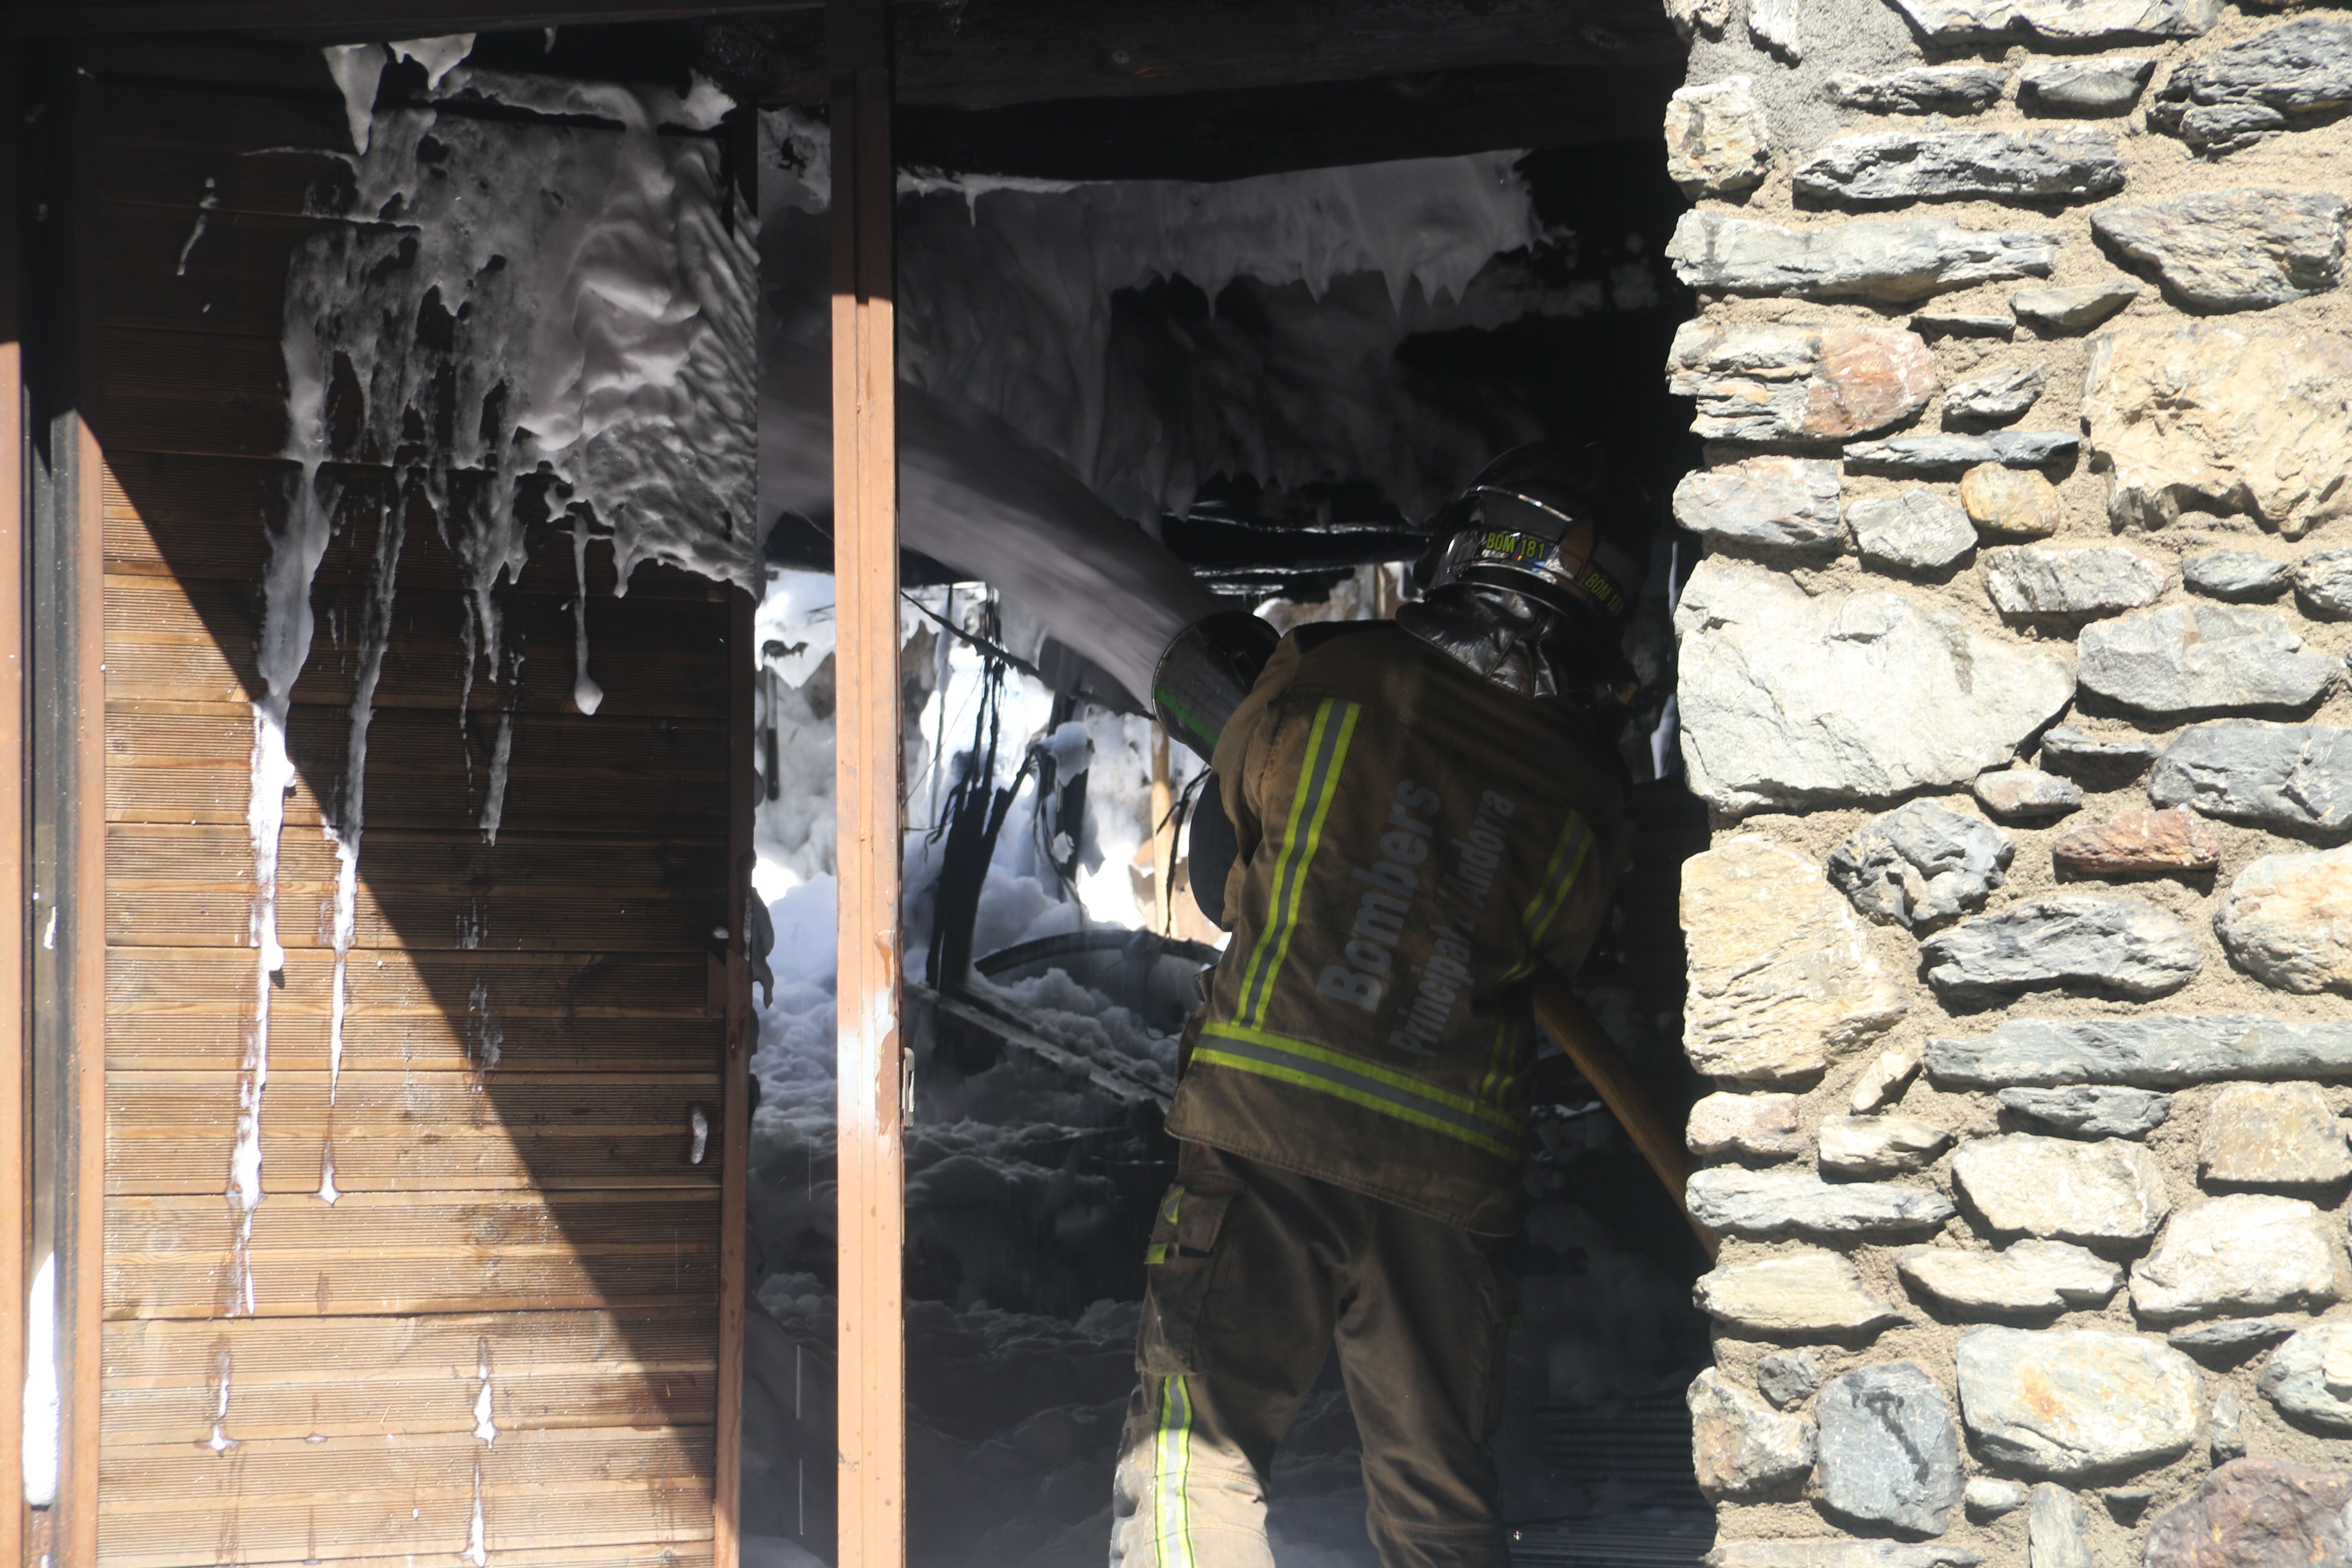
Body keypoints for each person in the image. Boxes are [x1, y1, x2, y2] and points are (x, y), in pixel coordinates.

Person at [1107, 441, 1654, 1568]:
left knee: (1197, 1447)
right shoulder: (1589, 785)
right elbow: (1562, 944)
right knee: (1436, 1489)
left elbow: (1221, 873)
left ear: (1459, 558)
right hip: (1444, 1169)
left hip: (1266, 1129)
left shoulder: (1324, 675)